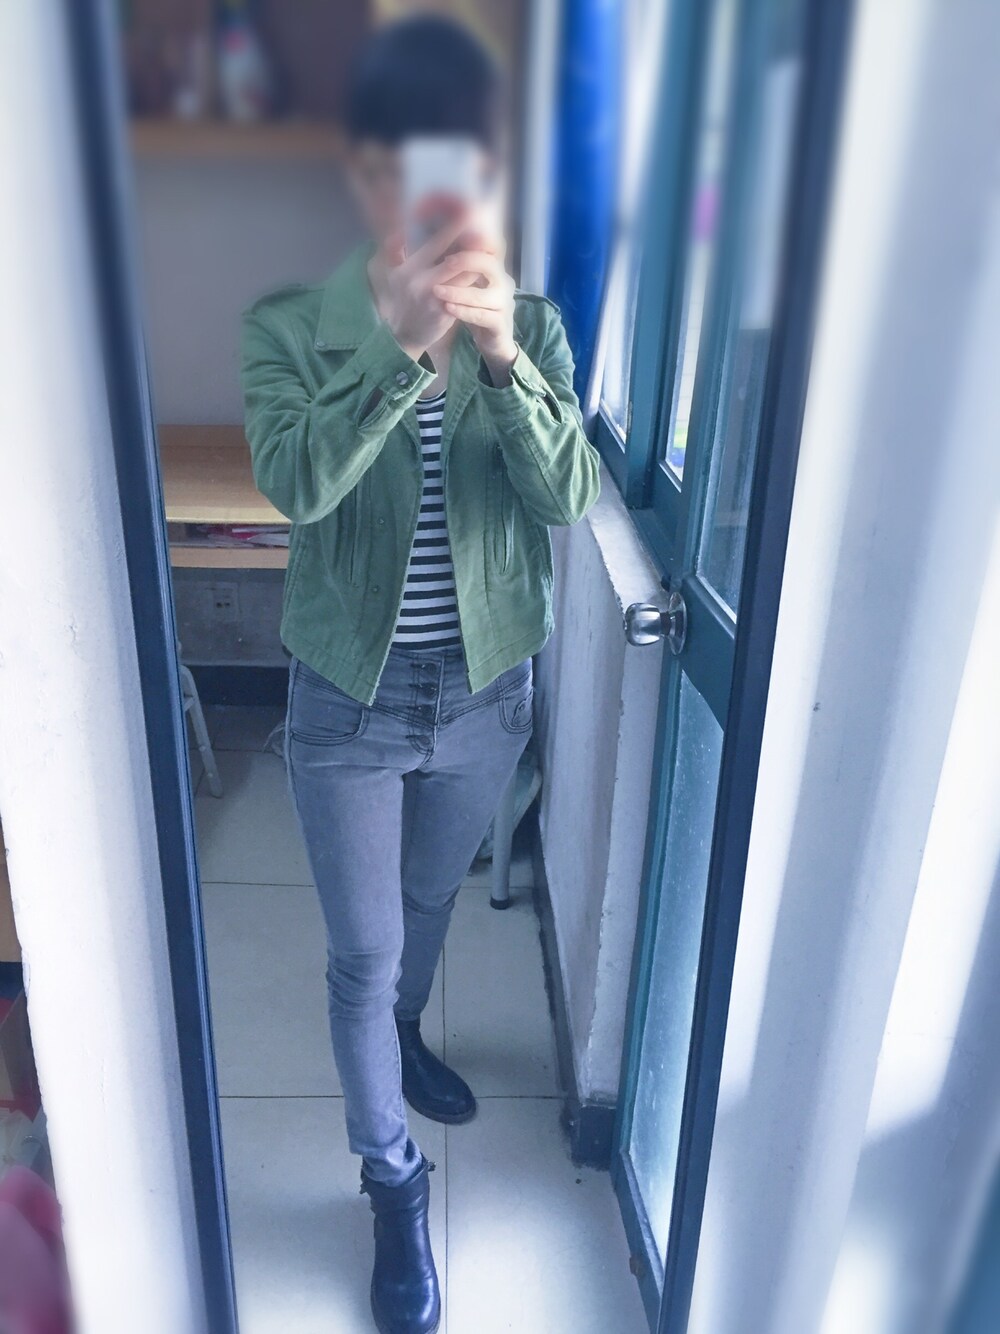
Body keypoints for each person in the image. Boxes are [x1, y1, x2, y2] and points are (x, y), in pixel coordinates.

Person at [239, 16, 600, 1334]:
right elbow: (296, 483)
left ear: (486, 177)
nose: (435, 195)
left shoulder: (535, 327)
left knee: (429, 901)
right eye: (404, 167)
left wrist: (501, 359)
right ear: (364, 175)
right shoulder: (293, 327)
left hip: (486, 692)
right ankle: (392, 1181)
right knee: (363, 949)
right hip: (350, 693)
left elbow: (565, 496)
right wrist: (396, 354)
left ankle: (403, 1037)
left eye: (461, 167)